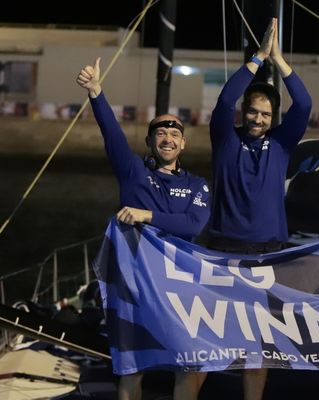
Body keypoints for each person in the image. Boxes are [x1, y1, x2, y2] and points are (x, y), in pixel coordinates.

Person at [77, 58, 211, 400]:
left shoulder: (198, 185)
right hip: (134, 286)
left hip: (181, 286)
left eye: (175, 133)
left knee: (190, 366)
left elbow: (192, 224)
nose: (168, 138)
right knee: (131, 369)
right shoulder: (133, 172)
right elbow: (112, 133)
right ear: (151, 141)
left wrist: (145, 215)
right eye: (161, 133)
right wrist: (96, 92)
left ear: (184, 144)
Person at [208, 18, 312, 400]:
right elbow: (223, 99)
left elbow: (304, 103)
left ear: (273, 119)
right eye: (253, 111)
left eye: (266, 114)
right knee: (214, 337)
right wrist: (258, 58)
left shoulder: (282, 144)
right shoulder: (224, 138)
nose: (258, 118)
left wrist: (280, 61)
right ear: (244, 112)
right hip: (223, 252)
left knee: (258, 342)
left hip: (270, 255)